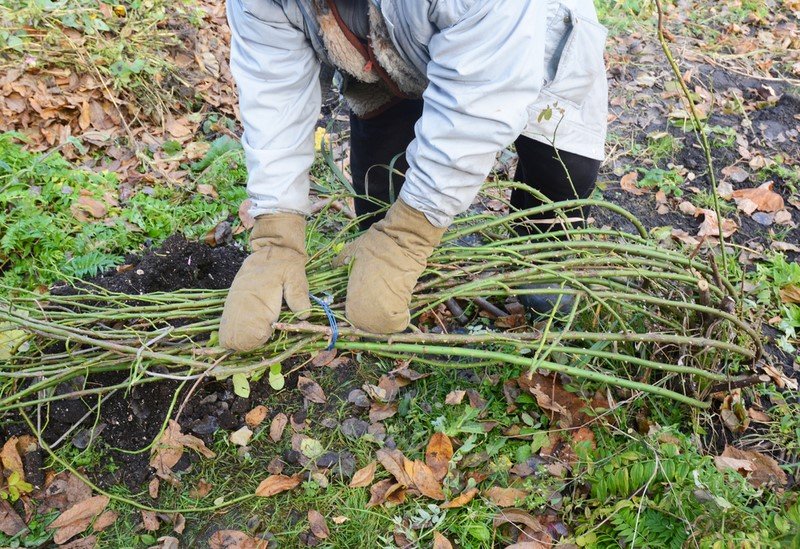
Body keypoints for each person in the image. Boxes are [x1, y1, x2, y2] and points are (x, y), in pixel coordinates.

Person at [219, 0, 609, 352]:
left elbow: (482, 99)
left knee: (556, 182)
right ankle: (421, 267)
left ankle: (542, 258)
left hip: (532, 43)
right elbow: (273, 93)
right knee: (377, 198)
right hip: (387, 55)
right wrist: (276, 232)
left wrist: (410, 232)